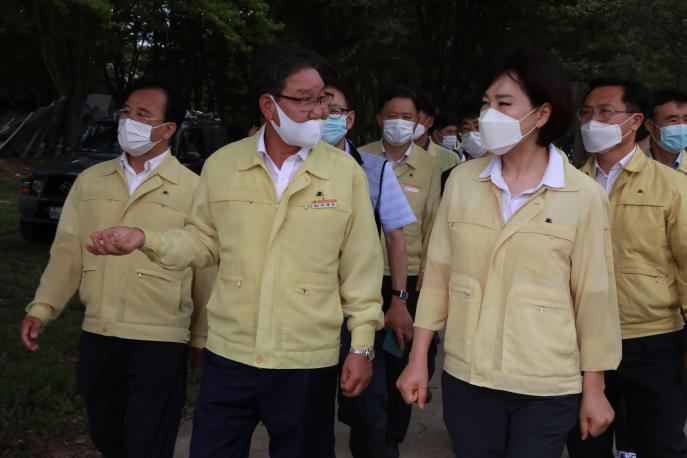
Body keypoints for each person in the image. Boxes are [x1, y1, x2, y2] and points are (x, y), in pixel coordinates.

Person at [86, 47, 384, 458]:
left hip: (305, 361)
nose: (319, 112)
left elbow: (362, 266)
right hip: (230, 357)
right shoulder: (223, 165)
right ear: (269, 105)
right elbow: (203, 241)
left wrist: (361, 345)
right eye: (306, 100)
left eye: (323, 100)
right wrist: (145, 238)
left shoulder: (344, 173)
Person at [397, 48, 621, 458]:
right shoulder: (463, 181)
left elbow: (594, 297)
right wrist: (417, 358)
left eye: (503, 104)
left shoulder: (582, 195)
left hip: (547, 383)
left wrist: (595, 389)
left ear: (541, 114)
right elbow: (439, 274)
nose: (488, 115)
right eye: (486, 103)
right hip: (468, 377)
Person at [19, 79, 214, 457]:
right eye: (126, 112)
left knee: (148, 442)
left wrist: (201, 336)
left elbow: (205, 266)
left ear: (168, 129)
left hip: (160, 338)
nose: (129, 120)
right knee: (106, 434)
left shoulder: (194, 188)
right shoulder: (91, 180)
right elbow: (67, 253)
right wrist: (43, 307)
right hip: (100, 331)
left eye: (143, 114)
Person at [567, 77, 687, 458]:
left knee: (661, 444)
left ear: (635, 121)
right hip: (579, 341)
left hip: (651, 339)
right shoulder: (568, 185)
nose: (592, 122)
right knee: (586, 444)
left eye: (605, 112)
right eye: (586, 112)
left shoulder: (671, 186)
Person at [322, 80, 417, 458]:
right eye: (317, 107)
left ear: (349, 119)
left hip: (361, 303)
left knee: (368, 405)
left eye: (333, 111)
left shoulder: (373, 169)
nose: (323, 118)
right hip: (309, 304)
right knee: (306, 407)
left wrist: (398, 299)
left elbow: (396, 238)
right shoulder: (290, 167)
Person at [360, 87, 441, 457]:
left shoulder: (430, 166)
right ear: (379, 119)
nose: (400, 123)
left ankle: (391, 434)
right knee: (364, 354)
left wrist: (425, 275)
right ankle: (370, 433)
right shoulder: (360, 160)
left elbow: (433, 224)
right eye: (393, 115)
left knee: (402, 358)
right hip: (364, 276)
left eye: (408, 117)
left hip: (410, 280)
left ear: (420, 122)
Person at [413, 90, 460, 172]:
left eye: (414, 118)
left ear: (430, 122)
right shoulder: (384, 155)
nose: (406, 122)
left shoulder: (450, 159)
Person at [644, 88, 687, 175]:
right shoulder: (633, 167)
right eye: (673, 120)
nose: (681, 126)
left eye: (686, 120)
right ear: (650, 126)